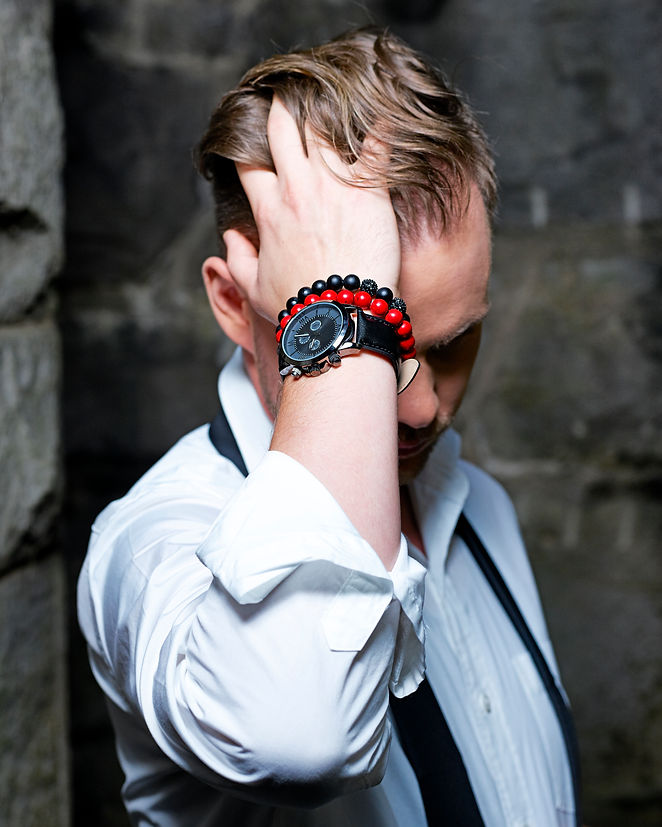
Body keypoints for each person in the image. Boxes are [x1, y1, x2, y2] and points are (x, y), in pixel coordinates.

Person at [78, 27, 580, 827]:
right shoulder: (154, 544)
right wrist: (344, 308)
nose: (421, 408)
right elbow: (300, 734)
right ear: (236, 303)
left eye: (449, 346)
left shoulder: (480, 505)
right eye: (376, 343)